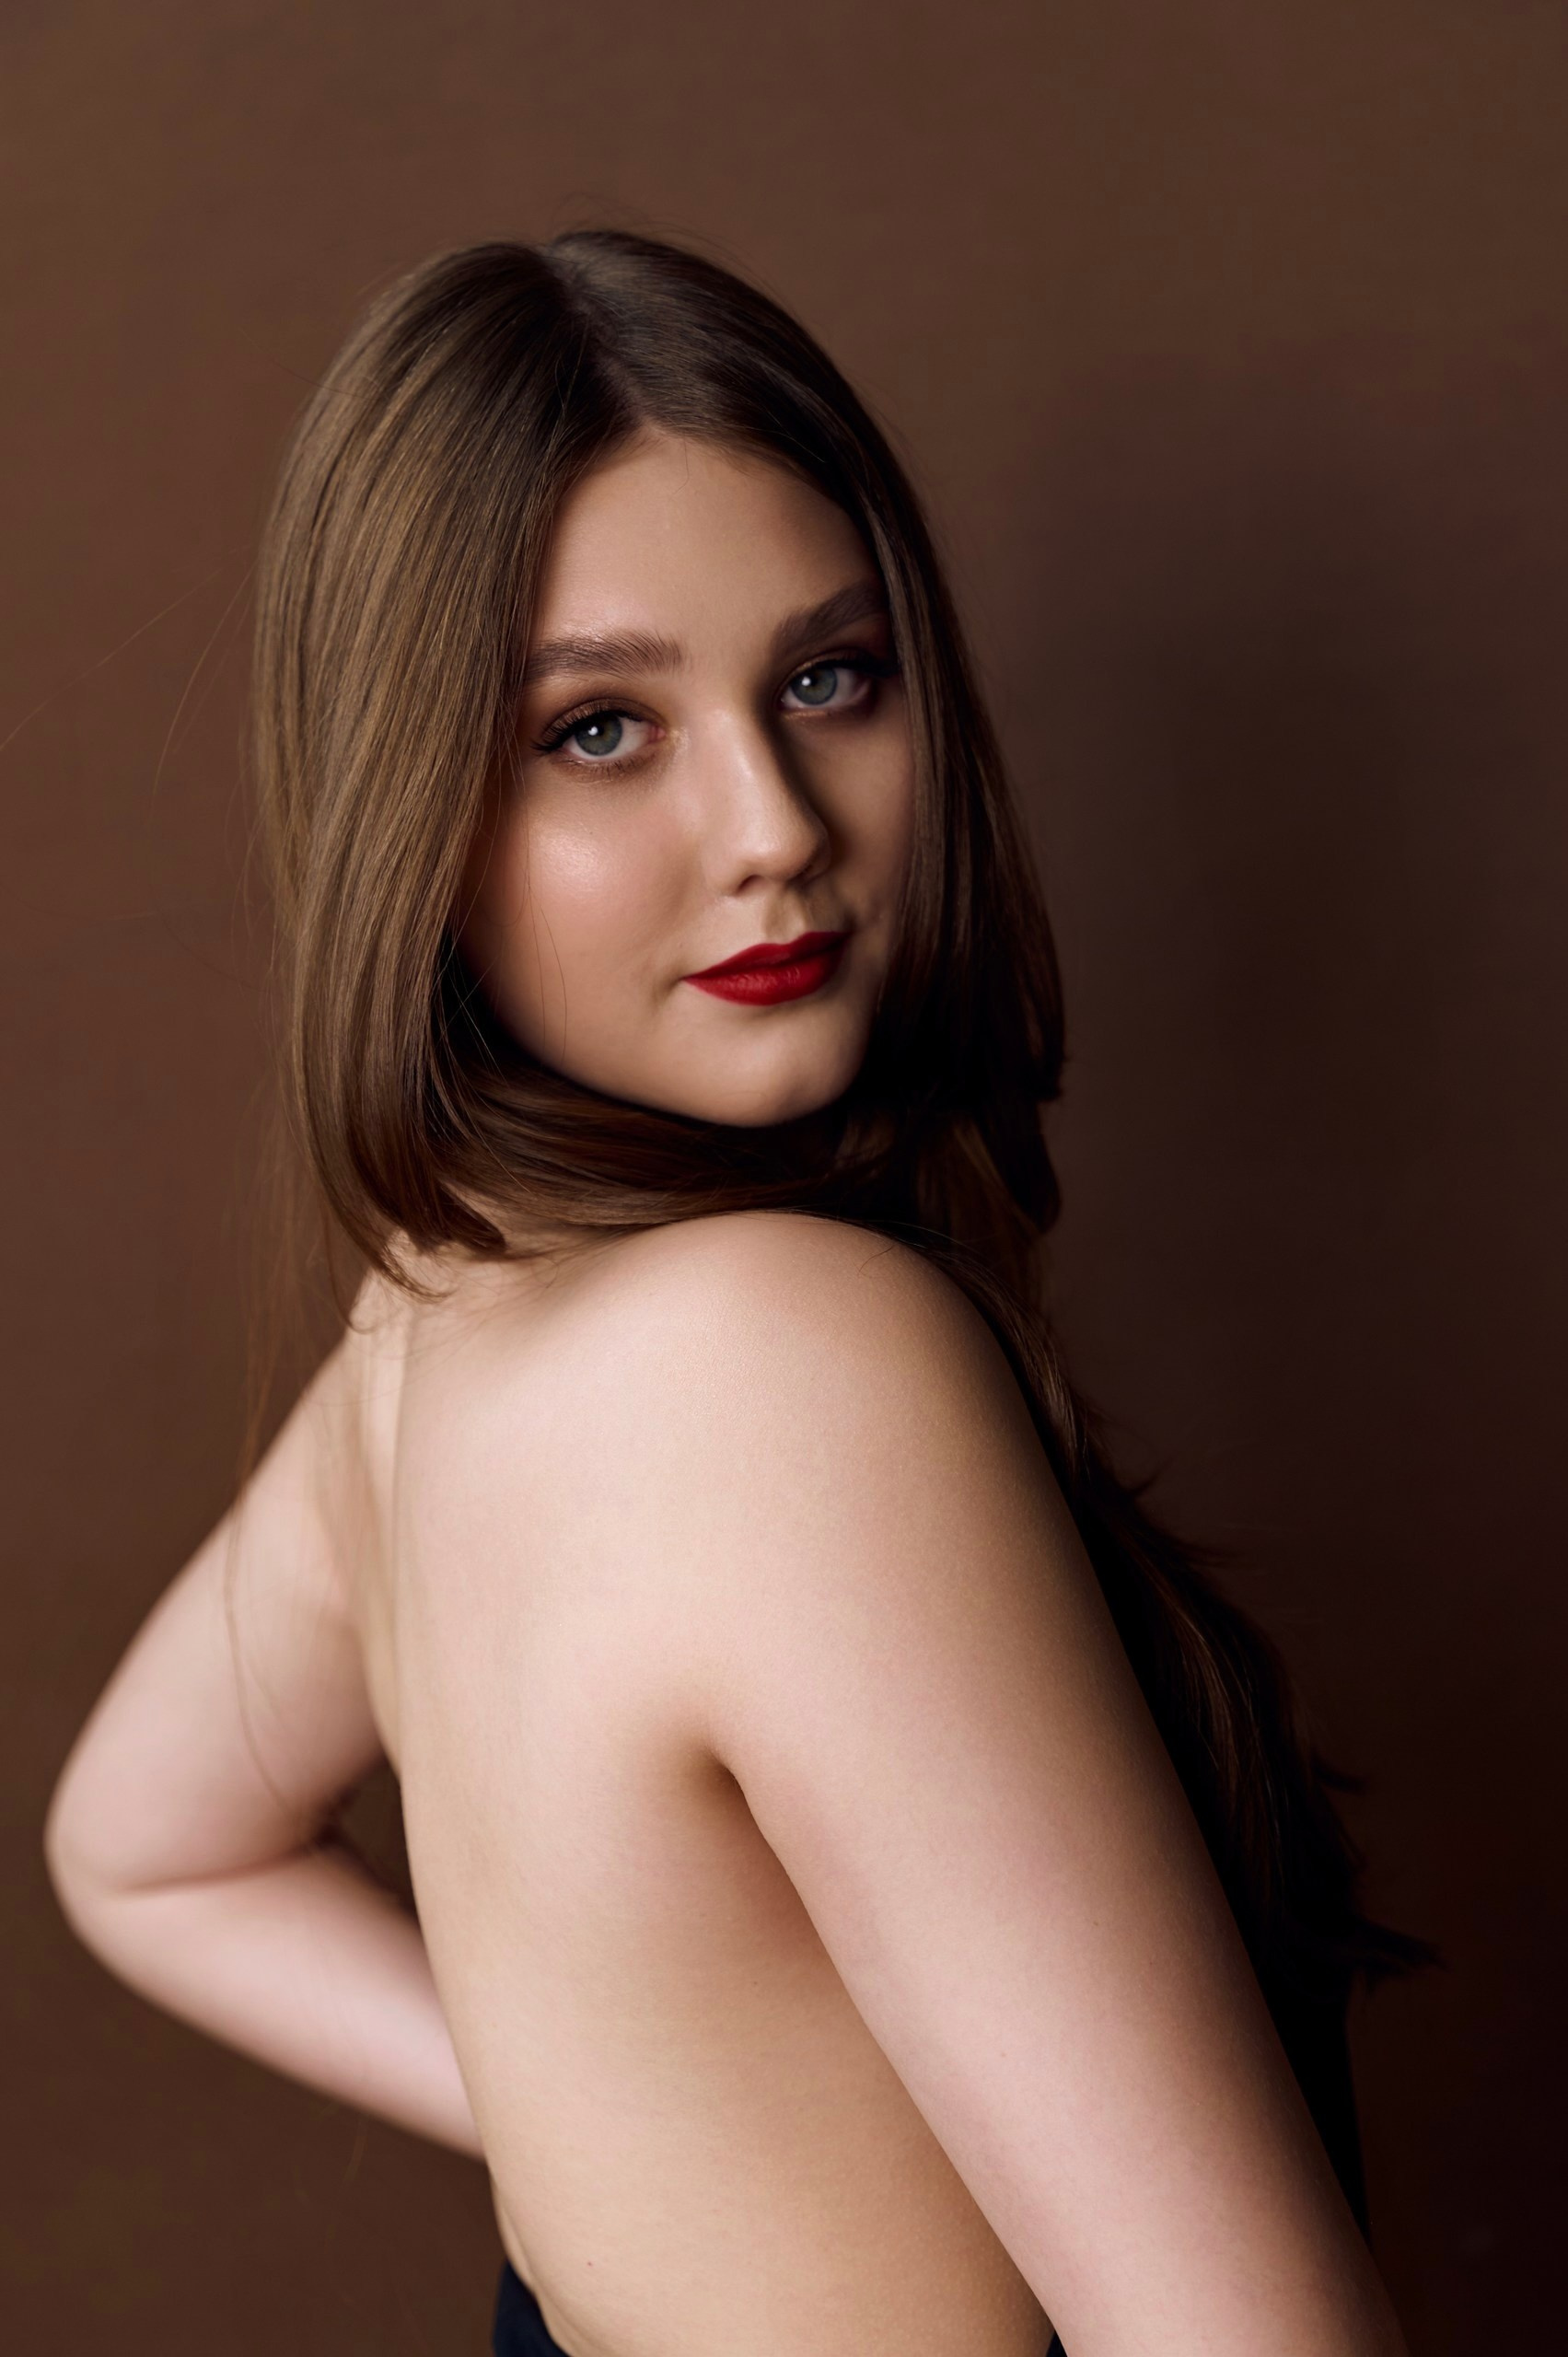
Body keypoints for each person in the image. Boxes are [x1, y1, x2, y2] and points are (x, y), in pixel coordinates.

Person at [43, 230, 1421, 2357]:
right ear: (413, 810)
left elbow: (148, 1848)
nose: (771, 825)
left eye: (830, 678)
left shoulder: (433, 1318)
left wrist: (632, 2137)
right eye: (599, 727)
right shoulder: (783, 1361)